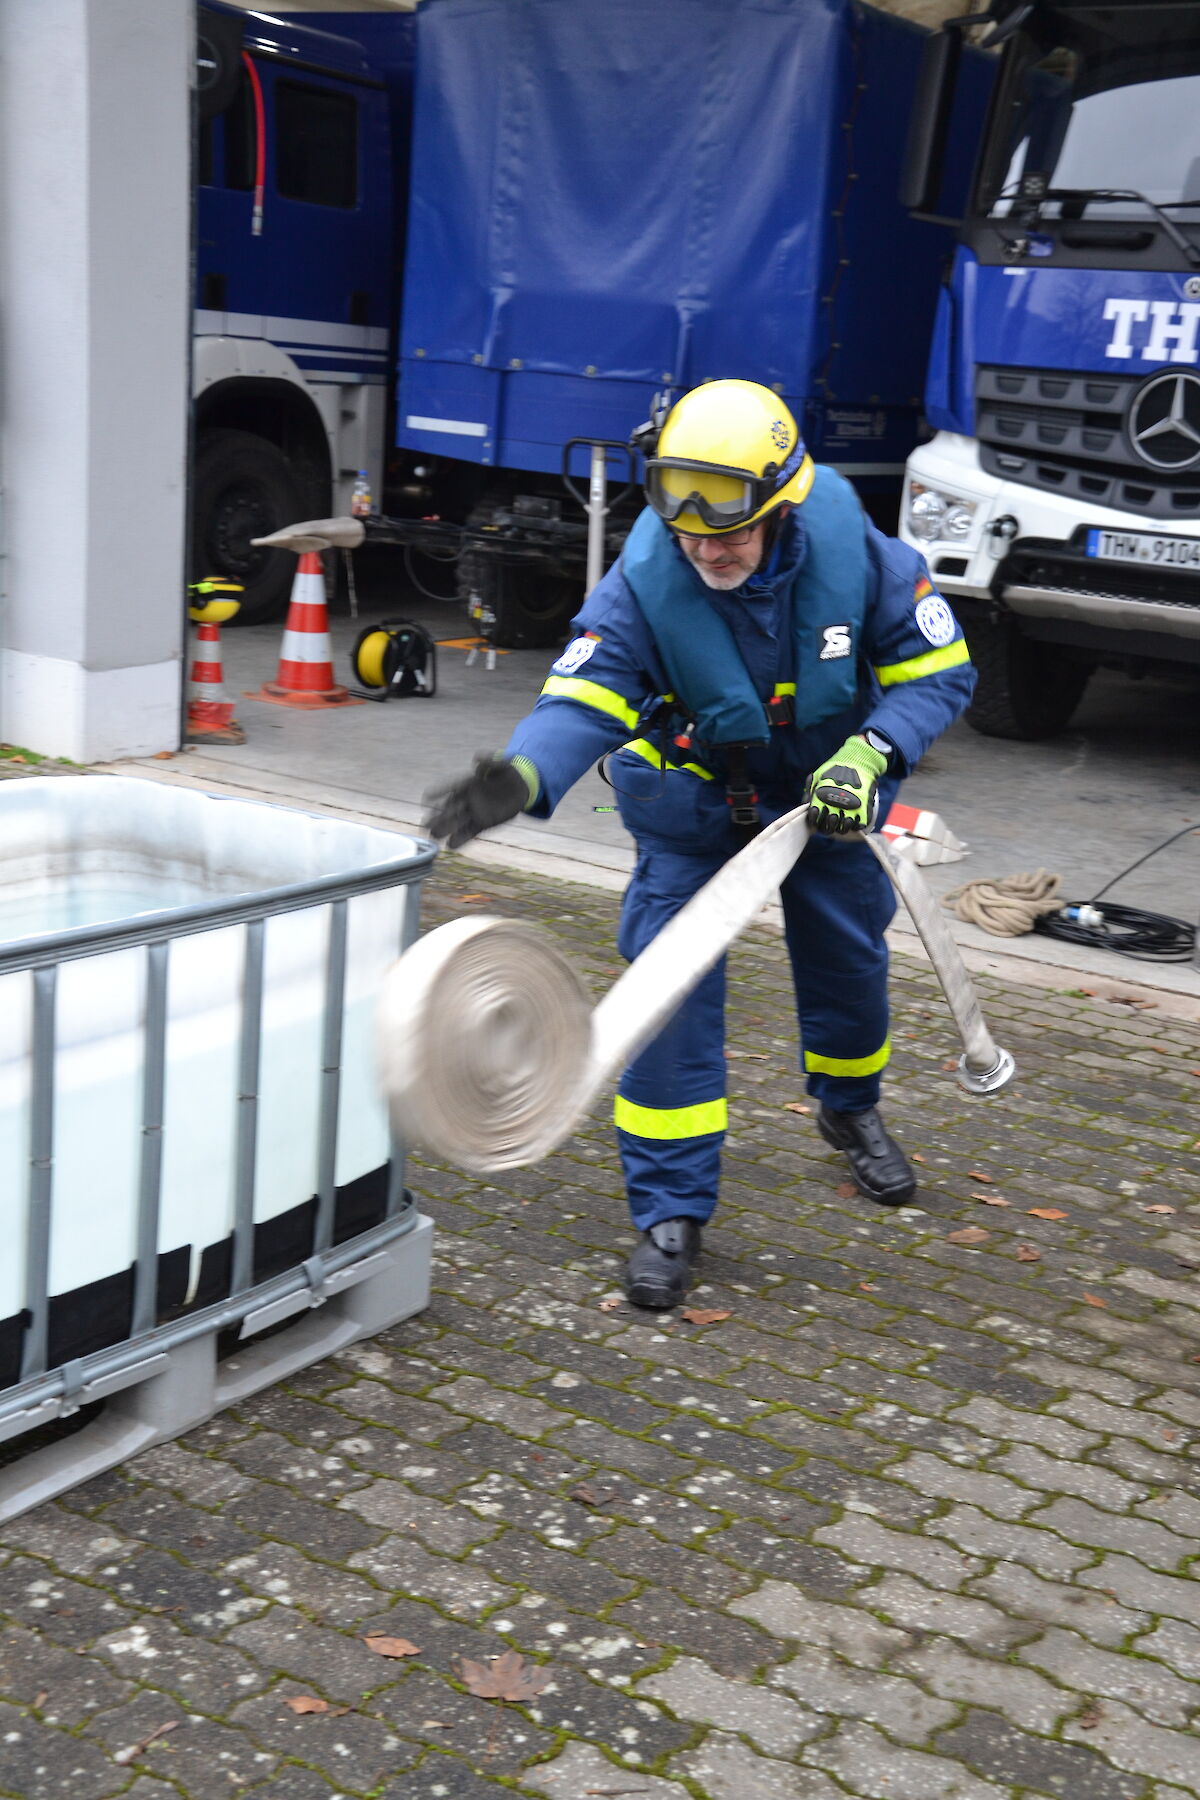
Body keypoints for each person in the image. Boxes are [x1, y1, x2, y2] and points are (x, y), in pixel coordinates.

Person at [425, 379, 975, 1309]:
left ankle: (850, 1109)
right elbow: (585, 697)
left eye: (729, 529)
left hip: (824, 802)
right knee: (667, 1001)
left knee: (849, 967)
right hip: (693, 815)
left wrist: (871, 755)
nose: (705, 546)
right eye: (686, 528)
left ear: (783, 503)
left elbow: (936, 675)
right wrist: (522, 776)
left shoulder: (862, 558)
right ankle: (669, 1212)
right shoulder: (645, 583)